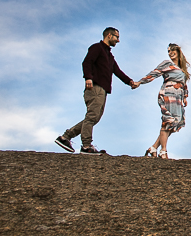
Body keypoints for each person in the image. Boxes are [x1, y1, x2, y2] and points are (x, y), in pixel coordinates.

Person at [55, 27, 138, 155]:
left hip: (103, 90)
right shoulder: (96, 48)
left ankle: (65, 137)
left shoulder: (109, 55)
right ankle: (86, 146)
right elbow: (87, 62)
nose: (118, 40)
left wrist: (130, 82)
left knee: (94, 118)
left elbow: (117, 71)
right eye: (117, 37)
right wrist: (88, 77)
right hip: (95, 87)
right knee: (92, 116)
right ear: (109, 35)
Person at [134, 43, 191, 159]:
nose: (170, 53)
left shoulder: (182, 69)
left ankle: (153, 147)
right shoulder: (167, 64)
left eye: (172, 50)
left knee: (174, 123)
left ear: (178, 51)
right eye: (169, 51)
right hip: (168, 94)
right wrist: (140, 82)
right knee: (167, 121)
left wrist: (185, 97)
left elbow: (184, 84)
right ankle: (163, 151)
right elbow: (154, 73)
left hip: (178, 97)